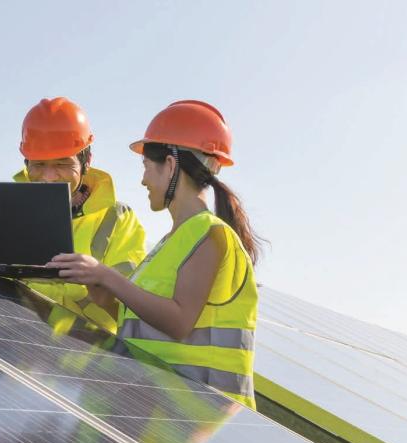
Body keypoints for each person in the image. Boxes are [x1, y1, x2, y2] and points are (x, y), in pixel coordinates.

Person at [47, 100, 261, 408]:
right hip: (162, 412)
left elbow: (178, 322)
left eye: (147, 167)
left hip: (206, 420)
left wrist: (106, 274)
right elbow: (141, 323)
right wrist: (102, 294)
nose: (143, 180)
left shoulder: (210, 233)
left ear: (171, 166)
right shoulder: (170, 243)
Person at [0, 97, 146, 332]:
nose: (49, 177)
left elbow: (130, 306)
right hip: (2, 335)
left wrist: (94, 280)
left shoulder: (118, 220)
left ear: (86, 162)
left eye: (63, 164)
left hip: (75, 355)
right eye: (39, 165)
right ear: (26, 161)